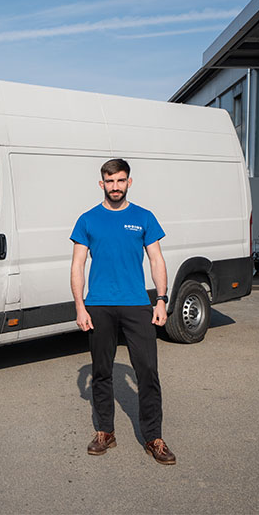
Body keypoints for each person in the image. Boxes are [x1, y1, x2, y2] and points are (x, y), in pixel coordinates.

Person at [69, 158, 176, 465]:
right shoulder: (87, 220)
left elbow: (156, 260)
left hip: (136, 305)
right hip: (99, 305)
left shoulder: (144, 217)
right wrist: (80, 306)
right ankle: (106, 431)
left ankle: (153, 437)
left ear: (129, 182)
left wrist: (161, 300)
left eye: (120, 180)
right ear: (101, 184)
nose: (115, 186)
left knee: (147, 372)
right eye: (109, 181)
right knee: (101, 371)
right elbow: (78, 265)